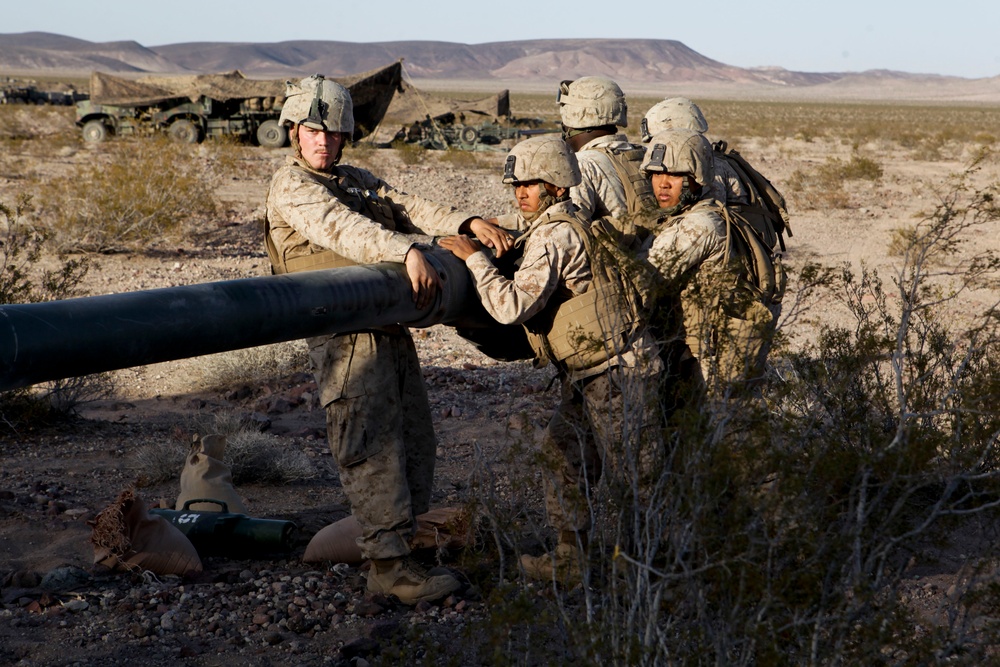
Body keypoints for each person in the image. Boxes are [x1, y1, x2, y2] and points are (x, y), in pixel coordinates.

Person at [263, 74, 513, 605]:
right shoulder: (293, 187)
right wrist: (405, 250)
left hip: (387, 327)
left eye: (333, 134)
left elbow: (408, 205)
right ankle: (390, 568)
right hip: (345, 339)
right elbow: (340, 229)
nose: (323, 142)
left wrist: (465, 222)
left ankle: (408, 546)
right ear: (293, 132)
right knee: (371, 447)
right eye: (313, 131)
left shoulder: (354, 178)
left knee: (413, 440)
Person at [439, 135, 663, 583]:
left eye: (531, 183)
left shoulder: (555, 233)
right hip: (592, 372)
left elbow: (511, 307)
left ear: (557, 186)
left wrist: (474, 260)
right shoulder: (563, 222)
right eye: (516, 183)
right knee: (563, 453)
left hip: (617, 373)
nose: (520, 192)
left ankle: (652, 578)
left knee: (636, 478)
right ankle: (571, 557)